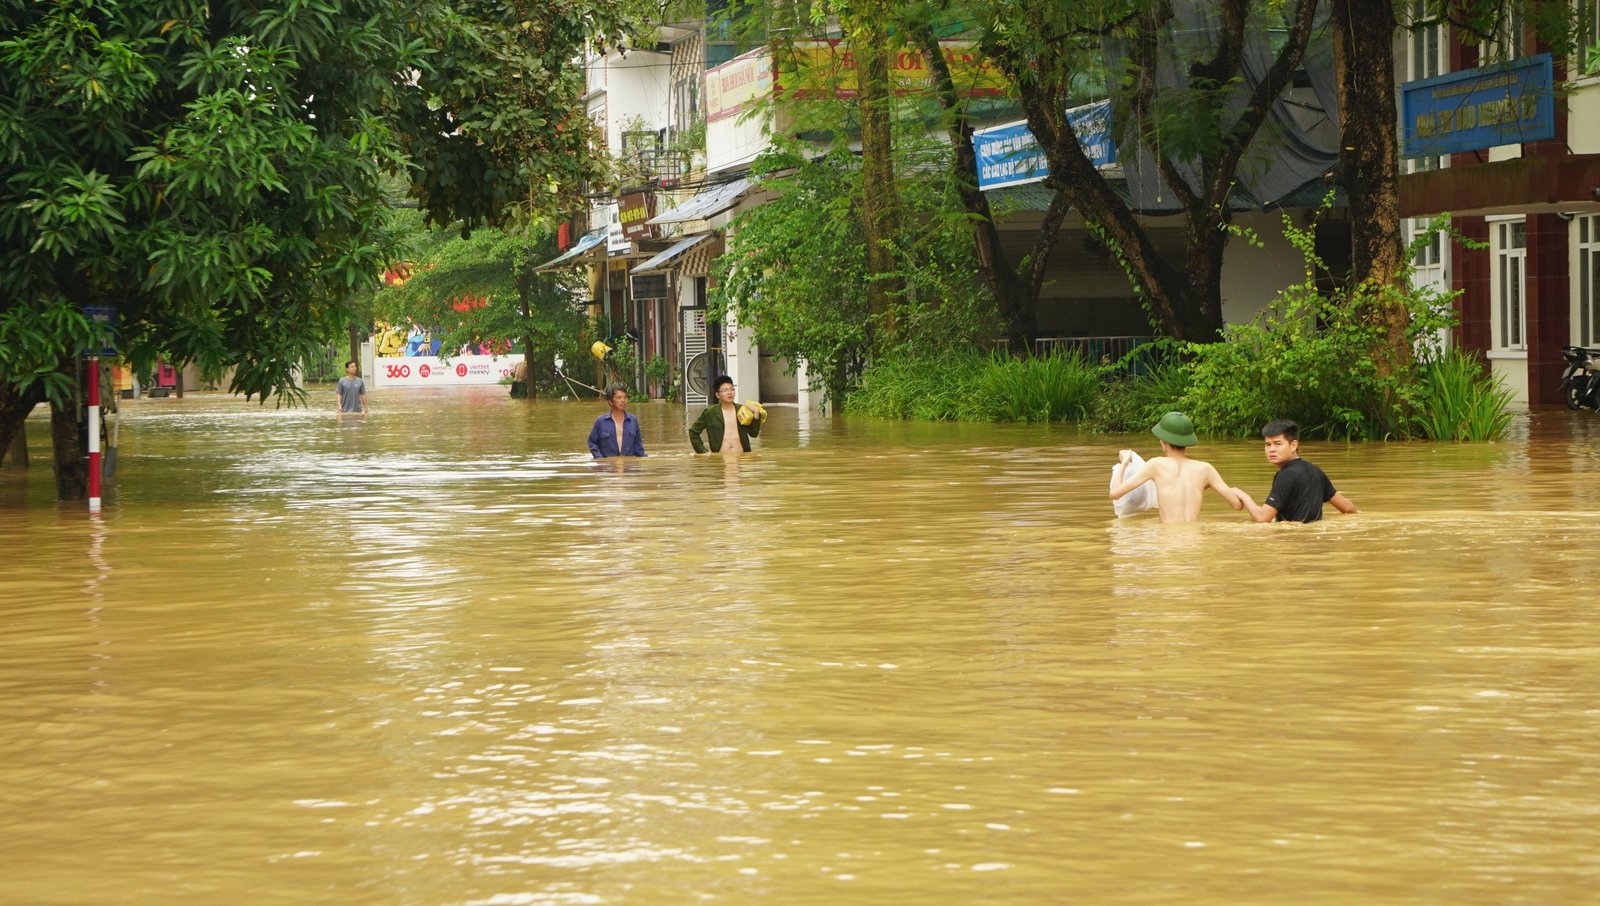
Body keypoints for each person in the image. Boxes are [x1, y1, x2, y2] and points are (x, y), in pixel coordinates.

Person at [1108, 411, 1243, 523]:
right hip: (1195, 541)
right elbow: (1237, 505)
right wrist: (1233, 490)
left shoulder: (1156, 465)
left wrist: (1124, 464)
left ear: (1163, 441)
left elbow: (1115, 494)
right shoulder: (1205, 469)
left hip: (1168, 540)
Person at [1231, 419, 1358, 523]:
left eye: (1278, 444)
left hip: (1290, 542)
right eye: (1268, 445)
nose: (1272, 449)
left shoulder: (1285, 475)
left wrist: (1243, 496)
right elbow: (1349, 509)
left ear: (1293, 445)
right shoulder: (1316, 471)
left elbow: (1263, 518)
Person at [689, 375, 764, 454]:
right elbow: (693, 432)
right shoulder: (710, 413)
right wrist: (703, 452)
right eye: (725, 390)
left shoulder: (742, 410)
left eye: (732, 389)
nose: (729, 392)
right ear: (718, 395)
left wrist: (756, 413)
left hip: (741, 460)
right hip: (720, 461)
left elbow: (754, 434)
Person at [587, 386, 645, 458]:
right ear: (610, 402)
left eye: (625, 397)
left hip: (629, 466)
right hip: (607, 467)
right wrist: (600, 460)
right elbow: (592, 443)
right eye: (619, 398)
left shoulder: (633, 421)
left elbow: (638, 447)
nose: (623, 400)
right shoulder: (600, 421)